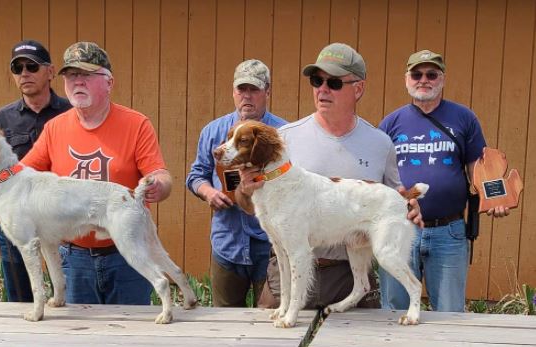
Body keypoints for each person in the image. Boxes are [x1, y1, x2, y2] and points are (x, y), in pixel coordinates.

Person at [238, 43, 422, 309]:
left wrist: (410, 206)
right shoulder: (282, 140)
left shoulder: (381, 143)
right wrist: (246, 190)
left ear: (358, 89)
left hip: (349, 275)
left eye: (334, 82)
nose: (322, 89)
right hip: (286, 271)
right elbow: (247, 203)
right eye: (317, 80)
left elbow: (394, 198)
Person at [20, 41, 172, 305]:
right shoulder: (54, 128)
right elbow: (22, 174)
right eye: (71, 75)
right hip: (73, 258)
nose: (77, 82)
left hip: (126, 257)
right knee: (79, 338)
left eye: (87, 75)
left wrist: (158, 185)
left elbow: (160, 175)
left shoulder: (136, 124)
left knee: (131, 335)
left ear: (109, 82)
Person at [378, 50, 509, 312]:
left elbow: (478, 166)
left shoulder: (464, 118)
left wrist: (495, 197)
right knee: (395, 311)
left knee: (450, 315)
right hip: (399, 229)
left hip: (449, 232)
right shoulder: (390, 123)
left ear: (442, 79)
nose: (423, 80)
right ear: (406, 79)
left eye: (431, 74)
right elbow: (378, 174)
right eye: (416, 74)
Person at [0, 39, 72, 302]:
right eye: (17, 68)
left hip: (60, 219)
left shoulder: (72, 115)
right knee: (19, 301)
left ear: (50, 72)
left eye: (32, 66)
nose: (24, 73)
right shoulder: (1, 119)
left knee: (68, 302)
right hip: (14, 222)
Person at [185, 59, 287, 307]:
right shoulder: (213, 131)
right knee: (225, 322)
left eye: (254, 89)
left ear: (268, 92)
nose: (247, 96)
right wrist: (208, 192)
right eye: (242, 89)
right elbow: (196, 174)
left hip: (270, 245)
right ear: (233, 92)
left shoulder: (284, 133)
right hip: (227, 241)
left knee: (268, 319)